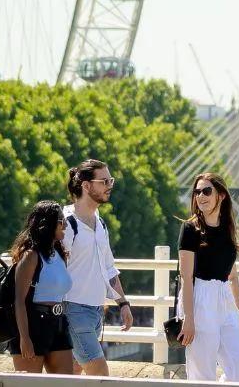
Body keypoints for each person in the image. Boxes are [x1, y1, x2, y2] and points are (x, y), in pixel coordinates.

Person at [176, 172, 239, 381]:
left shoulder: (227, 228)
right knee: (202, 374)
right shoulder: (190, 229)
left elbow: (233, 276)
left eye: (206, 191)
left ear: (221, 195)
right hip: (199, 297)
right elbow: (186, 277)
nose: (201, 196)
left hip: (225, 300)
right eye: (197, 192)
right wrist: (189, 319)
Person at [61, 159, 134, 376]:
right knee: (100, 374)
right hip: (73, 310)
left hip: (95, 311)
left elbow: (109, 269)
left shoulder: (100, 223)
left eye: (110, 180)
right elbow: (54, 269)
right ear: (86, 185)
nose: (109, 185)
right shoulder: (67, 223)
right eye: (104, 181)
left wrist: (123, 303)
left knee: (71, 374)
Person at [5, 201, 76, 374]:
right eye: (61, 220)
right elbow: (18, 301)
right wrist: (24, 338)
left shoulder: (59, 253)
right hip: (33, 323)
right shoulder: (30, 256)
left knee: (67, 383)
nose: (65, 224)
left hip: (59, 323)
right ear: (47, 223)